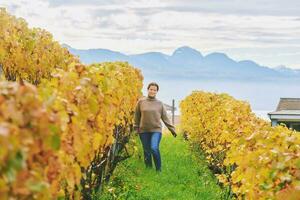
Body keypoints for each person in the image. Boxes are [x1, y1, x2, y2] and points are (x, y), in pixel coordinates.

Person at [134, 82, 177, 172]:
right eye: (151, 89)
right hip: (143, 130)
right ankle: (149, 169)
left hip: (156, 130)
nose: (152, 91)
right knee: (146, 151)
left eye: (154, 90)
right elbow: (137, 116)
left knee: (154, 148)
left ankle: (158, 169)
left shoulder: (160, 104)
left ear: (157, 91)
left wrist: (172, 129)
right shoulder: (141, 102)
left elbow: (165, 118)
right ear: (148, 90)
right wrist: (136, 128)